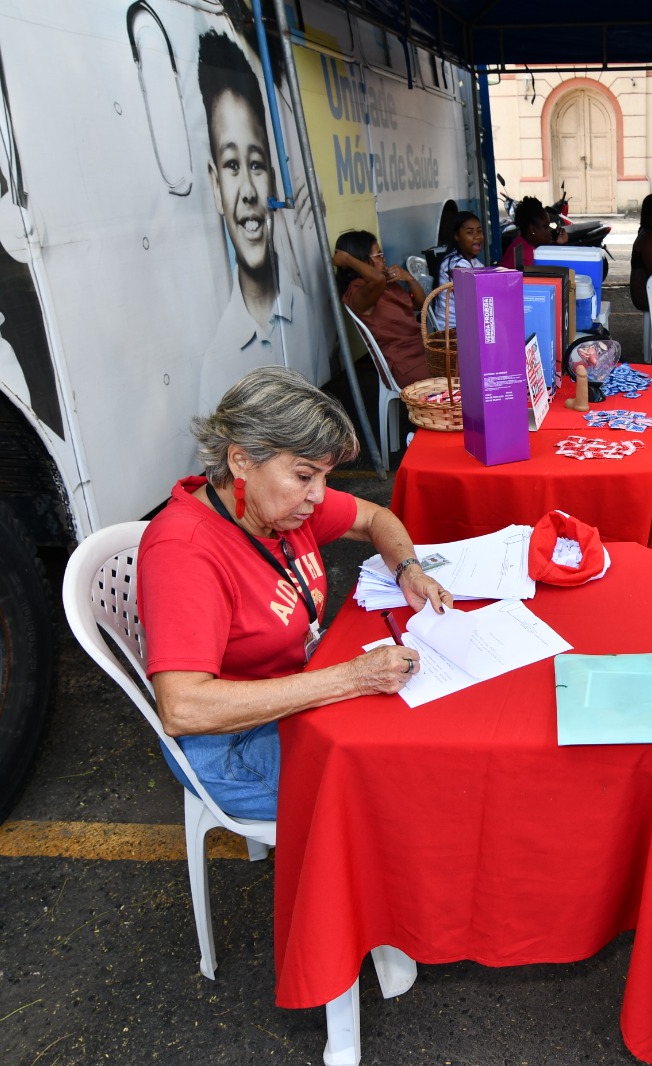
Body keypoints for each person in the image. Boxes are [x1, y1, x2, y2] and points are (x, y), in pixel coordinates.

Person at [139, 367, 452, 820]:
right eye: (305, 475)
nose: (319, 496)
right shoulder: (184, 551)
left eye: (323, 476)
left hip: (294, 692)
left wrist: (408, 569)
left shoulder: (273, 508)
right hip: (233, 744)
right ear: (240, 460)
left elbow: (375, 518)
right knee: (407, 782)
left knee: (422, 738)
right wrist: (353, 678)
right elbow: (182, 708)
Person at [196, 30, 319, 414]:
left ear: (273, 178)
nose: (248, 191)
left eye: (256, 164)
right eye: (232, 165)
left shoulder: (306, 311)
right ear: (216, 186)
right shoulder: (216, 364)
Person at [333, 230, 431, 386]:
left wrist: (410, 279)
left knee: (469, 359)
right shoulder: (357, 290)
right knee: (465, 372)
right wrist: (347, 259)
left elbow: (421, 305)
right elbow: (377, 279)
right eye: (378, 255)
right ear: (362, 260)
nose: (384, 259)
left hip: (422, 351)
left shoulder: (386, 284)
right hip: (404, 364)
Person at [428, 211, 484, 330]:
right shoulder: (457, 263)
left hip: (464, 325)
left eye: (479, 231)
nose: (477, 236)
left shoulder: (473, 261)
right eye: (470, 232)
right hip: (453, 331)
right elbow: (472, 299)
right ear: (456, 236)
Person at [499, 196, 556, 269]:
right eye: (546, 227)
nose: (550, 230)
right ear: (532, 229)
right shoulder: (524, 256)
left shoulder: (521, 245)